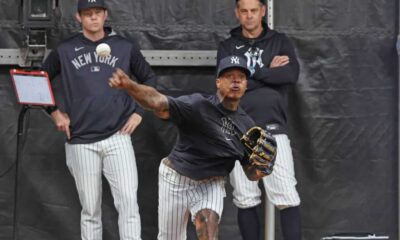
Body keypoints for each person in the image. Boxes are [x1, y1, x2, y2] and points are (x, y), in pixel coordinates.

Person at [108, 55, 275, 240]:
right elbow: (158, 102)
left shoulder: (247, 127)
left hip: (211, 184)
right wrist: (130, 85)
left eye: (241, 77)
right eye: (229, 76)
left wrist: (262, 169)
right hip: (175, 179)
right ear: (218, 82)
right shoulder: (197, 105)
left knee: (208, 229)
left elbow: (251, 174)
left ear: (246, 85)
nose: (235, 80)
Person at [41, 0, 156, 239]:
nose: (93, 18)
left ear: (105, 15)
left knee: (128, 203)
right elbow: (39, 80)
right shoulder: (65, 50)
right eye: (87, 14)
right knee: (90, 210)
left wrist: (139, 112)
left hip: (118, 137)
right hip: (81, 139)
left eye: (97, 13)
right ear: (78, 17)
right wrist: (54, 112)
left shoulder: (124, 47)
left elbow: (149, 78)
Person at [217, 0, 301, 239]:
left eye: (254, 10)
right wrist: (268, 70)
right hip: (238, 129)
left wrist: (249, 74)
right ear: (237, 13)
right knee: (245, 198)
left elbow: (290, 74)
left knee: (286, 195)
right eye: (244, 11)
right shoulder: (228, 46)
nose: (249, 16)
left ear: (263, 11)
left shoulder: (280, 42)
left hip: (273, 130)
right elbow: (226, 86)